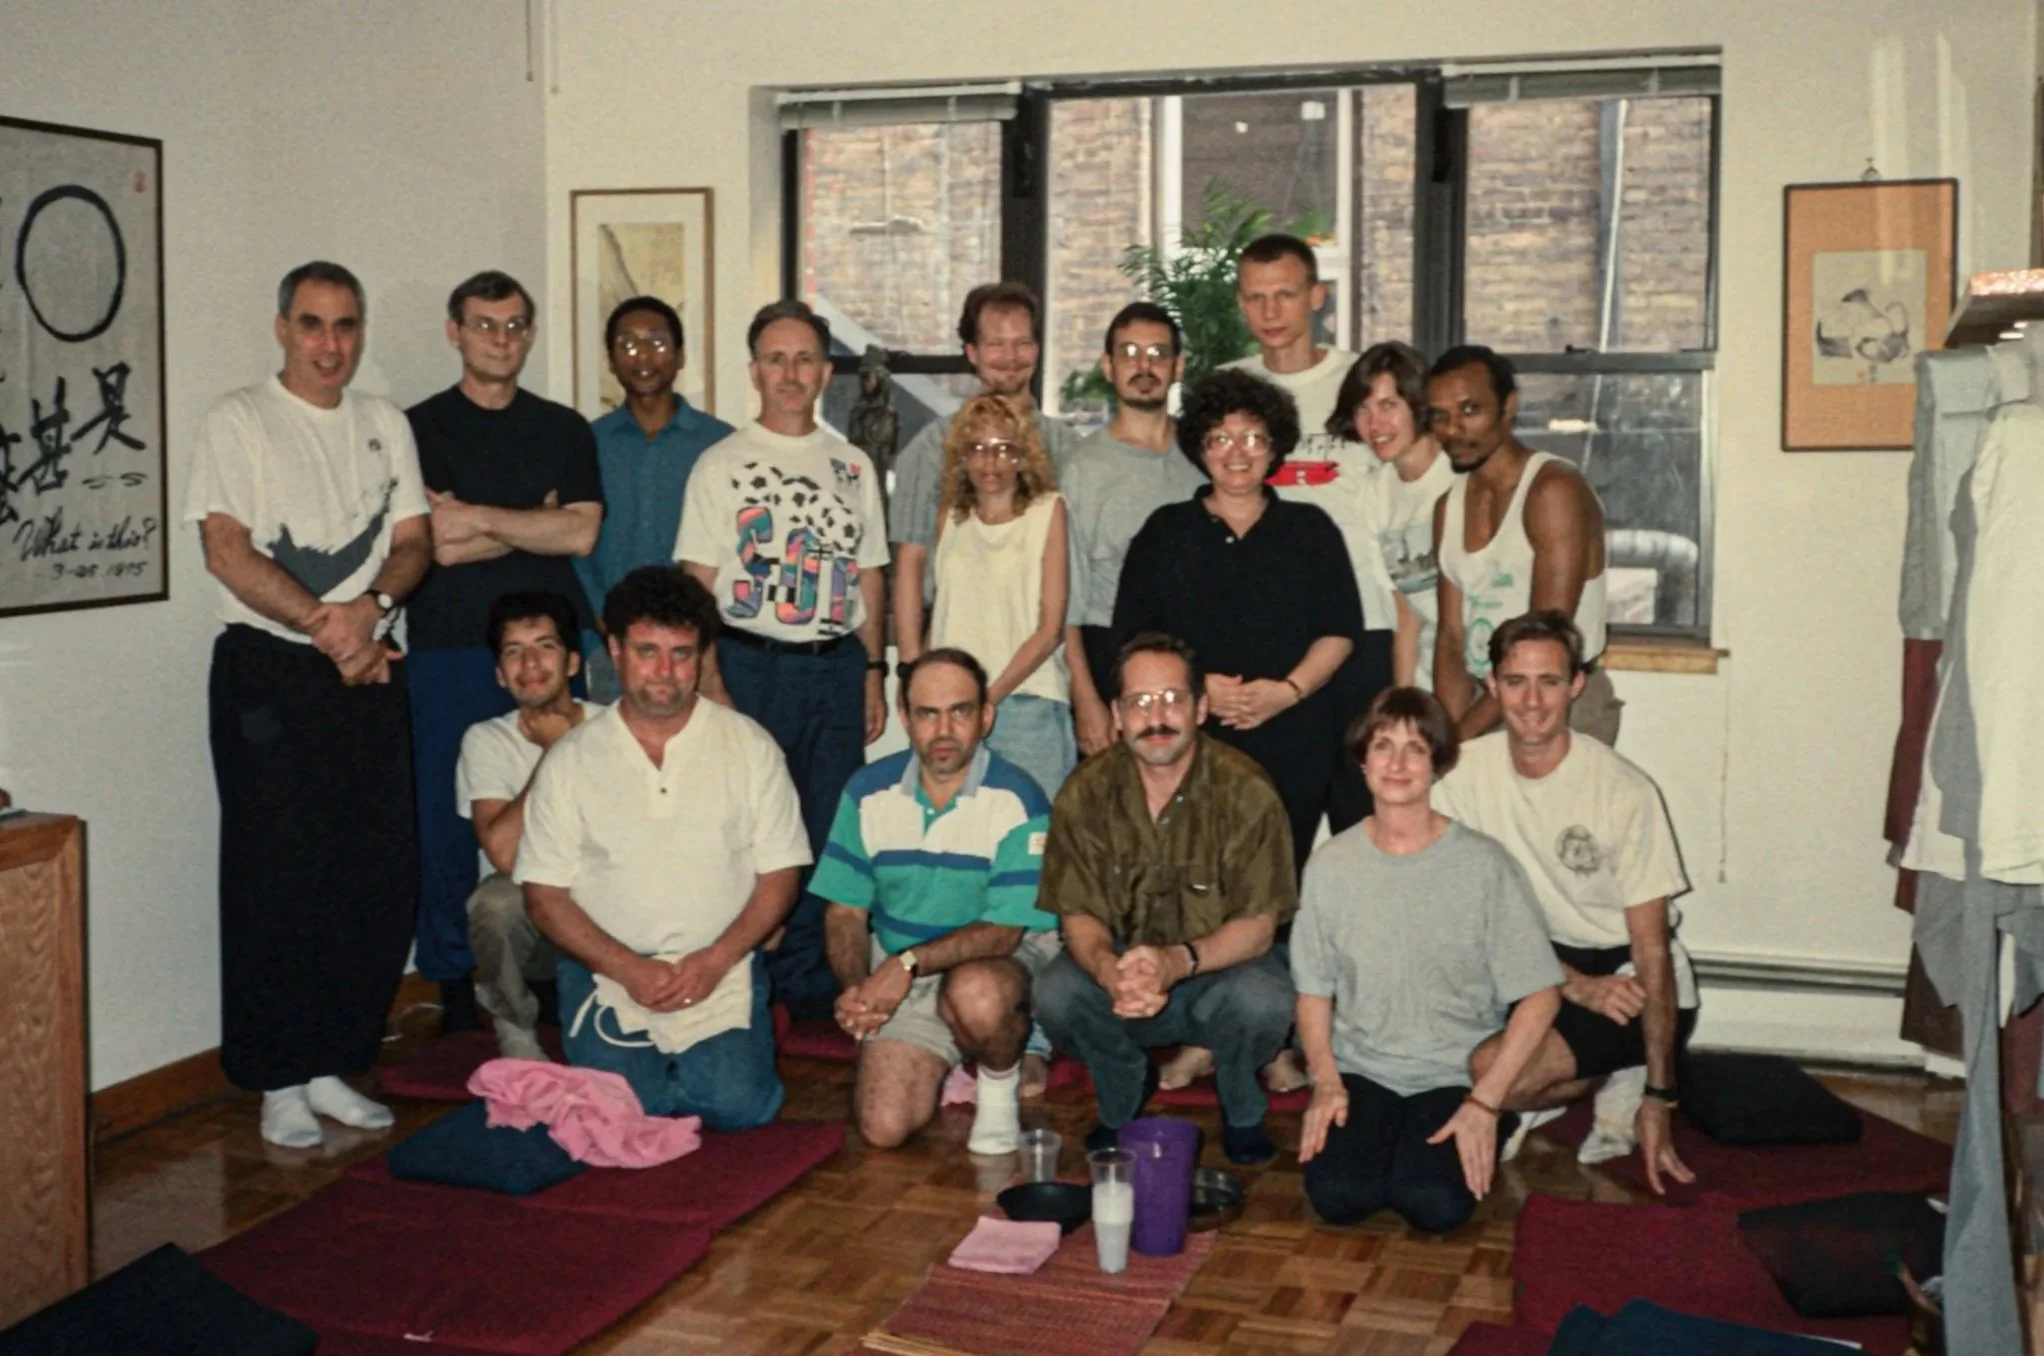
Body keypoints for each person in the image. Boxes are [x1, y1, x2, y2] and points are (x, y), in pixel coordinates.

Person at [185, 260, 429, 1148]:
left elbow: (412, 541)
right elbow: (227, 551)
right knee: (274, 877)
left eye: (347, 326)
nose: (332, 345)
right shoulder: (239, 419)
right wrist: (332, 630)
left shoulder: (383, 423)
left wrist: (374, 613)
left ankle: (330, 1060)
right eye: (314, 325)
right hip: (270, 670)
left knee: (371, 874)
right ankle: (275, 1077)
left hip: (367, 660)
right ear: (283, 328)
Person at [515, 566, 809, 1128]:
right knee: (631, 1111)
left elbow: (780, 875)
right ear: (615, 650)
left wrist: (717, 959)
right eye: (648, 651)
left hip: (718, 965)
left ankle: (738, 1034)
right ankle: (657, 1065)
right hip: (607, 971)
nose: (666, 672)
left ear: (701, 656)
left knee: (737, 1108)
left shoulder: (749, 745)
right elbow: (544, 896)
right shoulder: (572, 759)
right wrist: (626, 967)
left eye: (682, 653)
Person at [675, 299, 890, 1018]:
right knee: (749, 827)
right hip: (747, 662)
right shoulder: (720, 464)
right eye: (776, 359)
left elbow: (870, 576)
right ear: (754, 371)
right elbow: (695, 588)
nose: (790, 373)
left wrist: (872, 671)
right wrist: (707, 679)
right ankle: (742, 979)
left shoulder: (854, 465)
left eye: (804, 359)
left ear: (826, 372)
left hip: (833, 665)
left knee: (827, 830)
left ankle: (807, 983)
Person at [405, 270, 605, 1032]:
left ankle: (563, 972)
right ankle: (457, 984)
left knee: (575, 808)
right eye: (486, 325)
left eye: (516, 325)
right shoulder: (416, 427)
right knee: (449, 826)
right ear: (454, 331)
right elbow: (438, 546)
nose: (502, 339)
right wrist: (531, 521)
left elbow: (581, 533)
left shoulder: (562, 429)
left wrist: (480, 518)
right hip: (450, 645)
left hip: (555, 644)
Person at [1435, 612, 1696, 1193]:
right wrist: (1570, 985)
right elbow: (1457, 912)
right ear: (1493, 685)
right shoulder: (1461, 774)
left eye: (1549, 681)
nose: (1532, 701)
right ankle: (1546, 1084)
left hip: (1627, 979)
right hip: (1533, 963)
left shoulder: (1624, 790)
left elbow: (1652, 954)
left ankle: (1619, 1074)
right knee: (1438, 1056)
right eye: (1516, 681)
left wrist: (1660, 1096)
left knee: (1490, 1071)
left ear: (1576, 685)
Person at [1293, 687, 1562, 1233]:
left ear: (1437, 765)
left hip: (1454, 1073)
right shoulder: (1331, 865)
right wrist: (1325, 1080)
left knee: (1432, 1205)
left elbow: (1540, 993)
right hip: (1364, 1069)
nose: (1396, 763)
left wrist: (1487, 1102)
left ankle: (1499, 1126)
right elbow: (1314, 991)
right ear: (1362, 759)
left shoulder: (1484, 865)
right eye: (1383, 745)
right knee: (1340, 1198)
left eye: (1415, 748)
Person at [1033, 633, 1299, 1167]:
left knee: (1266, 999)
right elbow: (1078, 914)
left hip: (1215, 972)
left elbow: (1259, 926)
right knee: (1055, 991)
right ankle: (1121, 1095)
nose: (1157, 717)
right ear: (1117, 713)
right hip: (1124, 979)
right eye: (1140, 703)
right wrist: (1109, 969)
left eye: (1173, 699)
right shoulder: (1084, 792)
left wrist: (1177, 962)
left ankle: (1241, 1104)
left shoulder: (1247, 791)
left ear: (1202, 707)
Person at [1112, 368, 1362, 874]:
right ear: (1201, 448)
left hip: (1295, 735)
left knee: (1277, 880)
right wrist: (1199, 688)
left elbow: (1339, 631)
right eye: (1220, 438)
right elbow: (1132, 638)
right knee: (1194, 875)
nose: (1237, 452)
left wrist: (1287, 692)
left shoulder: (1310, 531)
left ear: (1274, 447)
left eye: (1252, 437)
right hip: (1192, 736)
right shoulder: (1165, 532)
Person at [814, 649, 1060, 1155]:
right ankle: (948, 1054)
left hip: (993, 960)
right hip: (904, 964)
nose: (943, 730)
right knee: (883, 1128)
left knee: (978, 993)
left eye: (960, 711)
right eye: (928, 713)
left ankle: (997, 1085)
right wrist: (859, 989)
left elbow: (1003, 932)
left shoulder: (1019, 798)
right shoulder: (867, 792)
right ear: (904, 718)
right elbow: (844, 912)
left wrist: (904, 965)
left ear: (986, 717)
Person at [1225, 234, 1389, 833]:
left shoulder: (1364, 383)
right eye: (1256, 298)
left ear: (1316, 297)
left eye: (1286, 295)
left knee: (1363, 817)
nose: (1270, 313)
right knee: (1264, 828)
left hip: (1363, 628)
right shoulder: (1228, 389)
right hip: (1266, 636)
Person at [1428, 346, 1617, 743]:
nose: (1453, 429)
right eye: (1439, 416)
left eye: (1469, 410)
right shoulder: (1449, 505)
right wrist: (1448, 735)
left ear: (1508, 407)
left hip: (1552, 701)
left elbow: (1548, 636)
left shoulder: (1553, 489)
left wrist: (1461, 740)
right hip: (1482, 703)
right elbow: (1450, 640)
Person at [890, 282, 1078, 663]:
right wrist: (911, 666)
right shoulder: (930, 449)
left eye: (1022, 343)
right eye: (996, 344)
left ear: (1037, 350)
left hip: (1045, 656)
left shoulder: (1069, 449)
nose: (1011, 357)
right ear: (971, 353)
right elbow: (911, 562)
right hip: (952, 643)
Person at [455, 591, 596, 1060]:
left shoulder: (613, 728)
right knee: (495, 901)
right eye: (514, 651)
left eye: (545, 646)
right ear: (499, 673)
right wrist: (555, 753)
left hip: (614, 909)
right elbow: (504, 854)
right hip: (538, 916)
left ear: (573, 662)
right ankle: (513, 1026)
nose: (530, 663)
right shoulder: (487, 740)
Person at [1061, 303, 1206, 755]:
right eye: (1129, 353)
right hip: (1111, 659)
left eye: (1158, 353)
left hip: (1199, 660)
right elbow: (1065, 598)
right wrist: (1086, 698)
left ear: (1178, 367)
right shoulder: (1082, 469)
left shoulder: (1207, 458)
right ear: (1109, 366)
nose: (1144, 366)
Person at [576, 295, 735, 703]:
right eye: (627, 344)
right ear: (610, 360)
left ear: (680, 357)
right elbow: (574, 550)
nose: (643, 355)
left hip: (697, 650)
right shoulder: (584, 443)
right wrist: (604, 627)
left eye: (658, 342)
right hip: (608, 648)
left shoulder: (722, 445)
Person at [929, 393, 1074, 797]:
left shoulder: (1048, 512)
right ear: (962, 457)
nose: (989, 462)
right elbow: (942, 617)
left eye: (1003, 449)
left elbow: (1051, 629)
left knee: (1031, 842)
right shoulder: (950, 518)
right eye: (977, 449)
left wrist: (987, 699)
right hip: (952, 713)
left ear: (1023, 456)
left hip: (1028, 705)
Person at [1326, 342, 1455, 690]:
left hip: (1483, 673)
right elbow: (1406, 616)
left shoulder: (1459, 475)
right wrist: (1404, 702)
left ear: (1418, 405)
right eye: (1362, 410)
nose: (1374, 424)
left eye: (1388, 405)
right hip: (1429, 680)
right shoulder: (1376, 491)